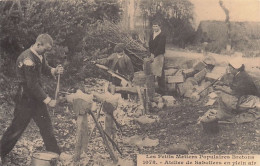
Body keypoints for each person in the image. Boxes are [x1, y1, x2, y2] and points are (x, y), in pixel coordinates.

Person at [0, 34, 64, 163]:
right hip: (26, 99)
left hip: (36, 99)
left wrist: (54, 71)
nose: (46, 51)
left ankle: (56, 154)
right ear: (38, 44)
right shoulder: (27, 59)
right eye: (45, 49)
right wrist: (48, 100)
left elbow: (44, 68)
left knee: (46, 126)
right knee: (16, 129)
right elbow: (32, 85)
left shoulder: (39, 54)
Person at [201, 57, 260, 124]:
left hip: (251, 99)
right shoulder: (240, 74)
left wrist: (220, 88)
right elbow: (234, 86)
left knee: (225, 97)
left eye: (231, 68)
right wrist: (223, 83)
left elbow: (233, 92)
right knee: (225, 96)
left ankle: (227, 115)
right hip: (246, 96)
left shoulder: (242, 77)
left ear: (235, 69)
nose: (229, 69)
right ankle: (226, 113)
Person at [148, 20, 166, 94]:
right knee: (152, 72)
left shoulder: (162, 35)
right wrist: (151, 53)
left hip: (159, 55)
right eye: (154, 26)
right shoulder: (152, 34)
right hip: (153, 55)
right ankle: (153, 89)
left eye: (156, 26)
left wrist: (154, 54)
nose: (155, 28)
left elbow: (160, 46)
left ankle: (162, 90)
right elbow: (150, 44)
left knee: (160, 73)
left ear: (159, 26)